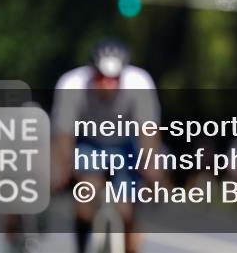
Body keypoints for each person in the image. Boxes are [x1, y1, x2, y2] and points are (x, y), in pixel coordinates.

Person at [51, 39, 163, 253]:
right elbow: (64, 134)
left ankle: (129, 243)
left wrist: (151, 169)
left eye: (113, 79)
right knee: (87, 197)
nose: (107, 84)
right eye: (102, 77)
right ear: (92, 72)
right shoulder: (72, 84)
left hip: (124, 145)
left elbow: (148, 133)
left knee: (125, 210)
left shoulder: (139, 83)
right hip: (89, 144)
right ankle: (82, 245)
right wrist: (62, 169)